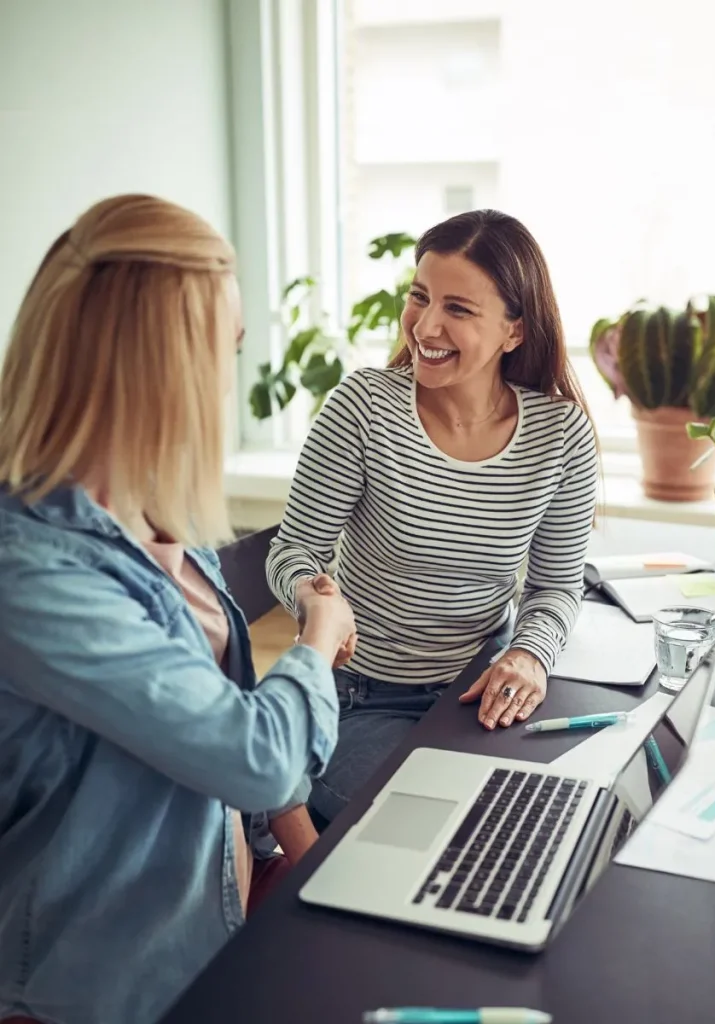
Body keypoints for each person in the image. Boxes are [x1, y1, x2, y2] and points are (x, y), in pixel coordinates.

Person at [0, 195, 355, 1024]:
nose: (233, 373)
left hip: (212, 925)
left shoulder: (152, 519)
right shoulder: (32, 575)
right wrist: (317, 641)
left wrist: (308, 866)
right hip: (101, 991)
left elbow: (222, 760)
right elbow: (257, 756)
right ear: (168, 369)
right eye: (227, 348)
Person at [267, 209, 598, 826]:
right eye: (420, 297)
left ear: (515, 332)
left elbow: (555, 586)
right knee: (441, 821)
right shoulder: (364, 407)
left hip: (481, 687)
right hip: (364, 698)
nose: (426, 324)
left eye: (459, 309)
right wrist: (315, 602)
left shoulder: (560, 434)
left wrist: (528, 655)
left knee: (558, 806)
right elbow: (292, 553)